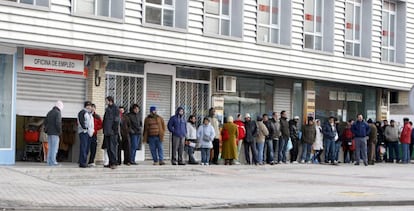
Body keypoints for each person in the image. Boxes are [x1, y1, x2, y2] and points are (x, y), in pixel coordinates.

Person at [44, 100, 63, 166]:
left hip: (49, 133)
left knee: (50, 148)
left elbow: (45, 122)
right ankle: (53, 162)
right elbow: (58, 123)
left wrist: (46, 130)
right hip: (55, 133)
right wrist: (60, 131)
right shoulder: (58, 113)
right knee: (54, 148)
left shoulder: (49, 112)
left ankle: (49, 162)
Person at [103, 96, 120, 169]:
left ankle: (114, 163)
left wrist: (114, 130)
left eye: (106, 101)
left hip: (112, 132)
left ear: (110, 101)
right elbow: (105, 120)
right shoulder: (107, 109)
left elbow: (116, 120)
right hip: (107, 131)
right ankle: (110, 162)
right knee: (108, 148)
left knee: (113, 148)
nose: (105, 102)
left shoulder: (115, 108)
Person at [77, 101, 94, 168]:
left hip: (89, 133)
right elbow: (81, 121)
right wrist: (85, 128)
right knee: (83, 147)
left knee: (86, 148)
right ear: (86, 106)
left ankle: (84, 161)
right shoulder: (82, 112)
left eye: (90, 106)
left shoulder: (89, 114)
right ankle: (82, 162)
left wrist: (91, 130)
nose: (90, 107)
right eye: (88, 105)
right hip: (83, 132)